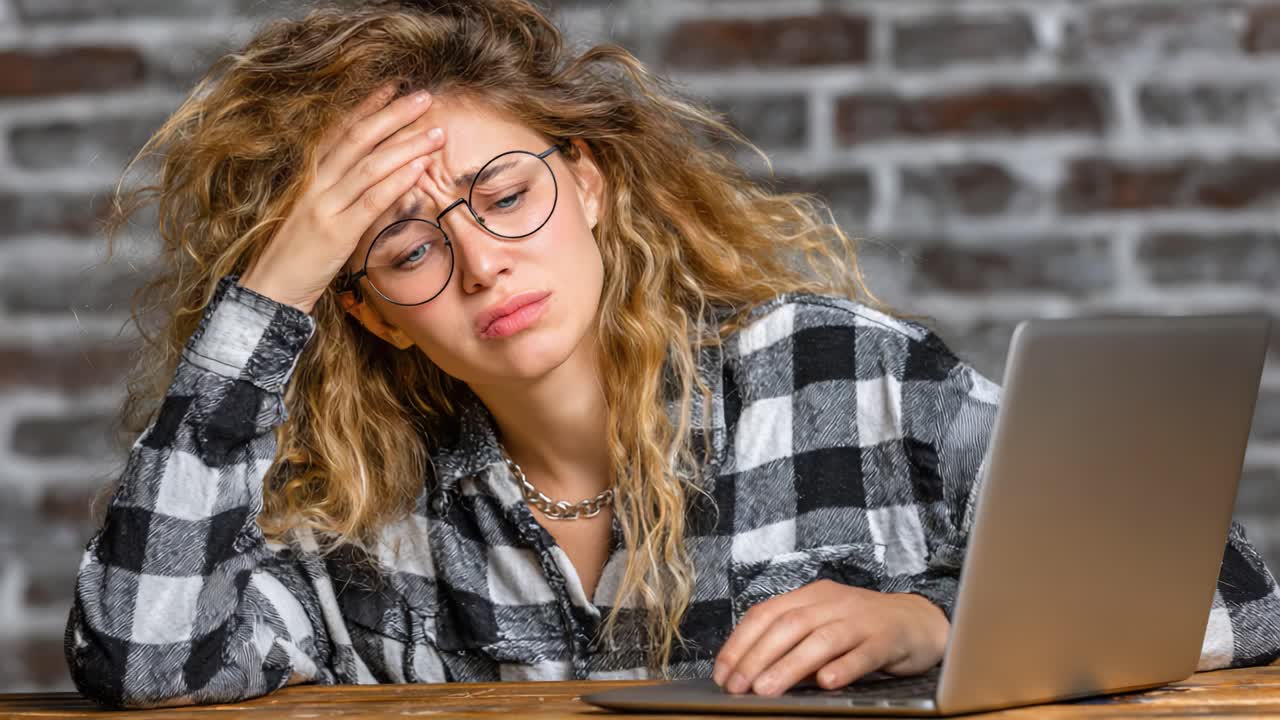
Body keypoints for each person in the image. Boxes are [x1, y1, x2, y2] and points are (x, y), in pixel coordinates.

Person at [65, 0, 1280, 710]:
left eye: (503, 192)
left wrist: (929, 622)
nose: (482, 262)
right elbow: (141, 657)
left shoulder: (829, 373)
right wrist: (277, 277)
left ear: (585, 185)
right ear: (370, 310)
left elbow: (1228, 588)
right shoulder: (357, 525)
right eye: (402, 249)